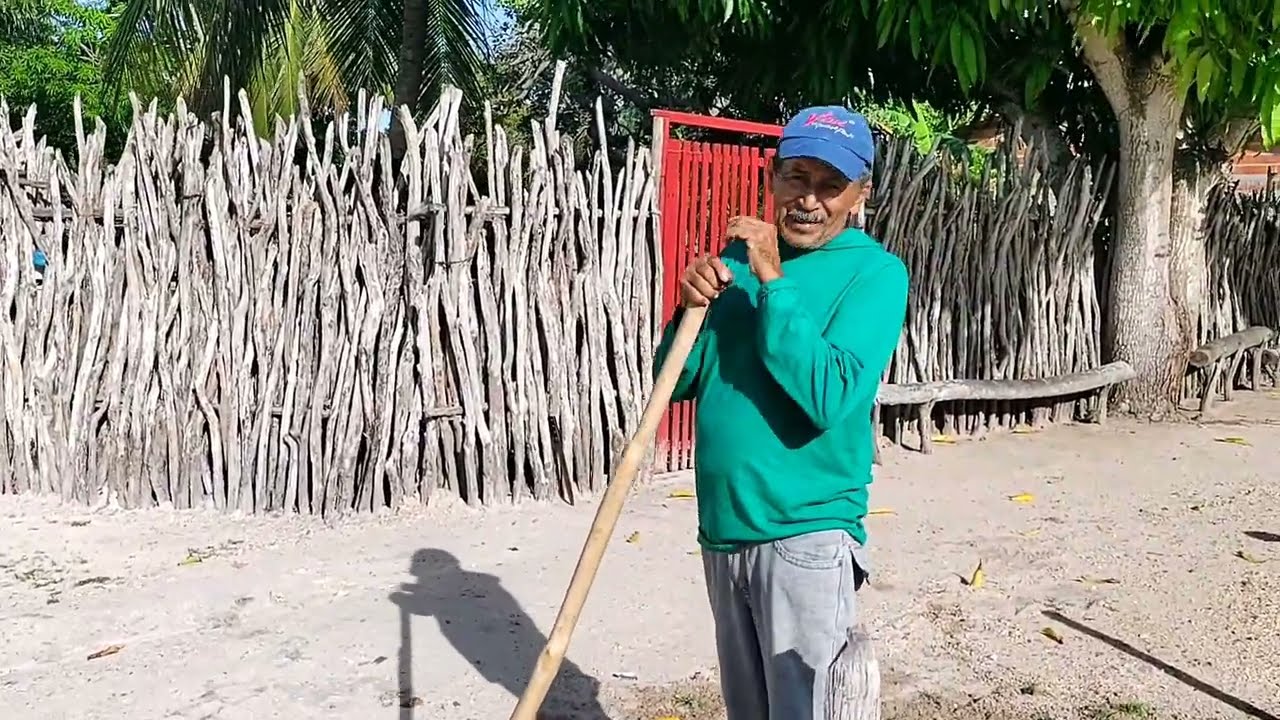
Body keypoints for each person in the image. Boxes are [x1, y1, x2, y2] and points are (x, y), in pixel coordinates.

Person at [654, 105, 908, 720]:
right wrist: (688, 310)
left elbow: (828, 393)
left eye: (830, 186)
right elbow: (677, 381)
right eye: (797, 178)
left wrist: (772, 280)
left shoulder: (875, 274)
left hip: (806, 537)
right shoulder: (734, 265)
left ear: (860, 195)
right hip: (724, 534)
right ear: (773, 177)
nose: (809, 200)